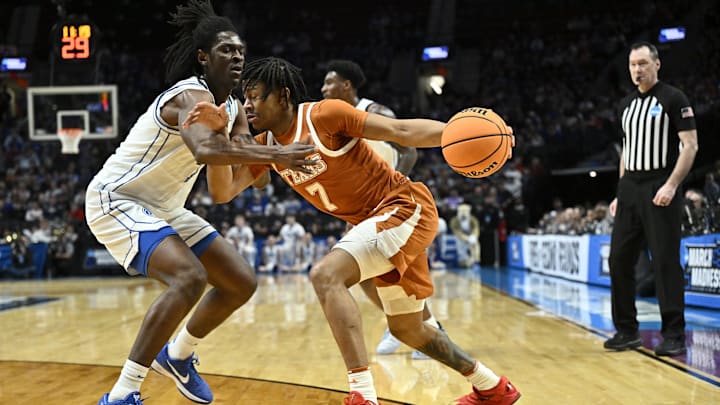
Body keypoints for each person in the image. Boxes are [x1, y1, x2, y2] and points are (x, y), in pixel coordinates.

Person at [183, 56, 520, 405]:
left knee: (325, 275)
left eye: (256, 96)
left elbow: (400, 132)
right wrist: (217, 135)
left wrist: (461, 133)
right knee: (408, 329)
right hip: (377, 224)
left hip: (403, 207)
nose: (248, 105)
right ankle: (492, 386)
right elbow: (223, 193)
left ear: (282, 96)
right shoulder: (267, 146)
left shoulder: (324, 115)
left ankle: (362, 395)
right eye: (245, 97)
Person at [84, 2, 317, 404]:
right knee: (189, 277)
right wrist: (274, 156)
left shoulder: (232, 109)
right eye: (227, 49)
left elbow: (229, 188)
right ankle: (123, 394)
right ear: (203, 57)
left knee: (240, 282)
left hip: (166, 208)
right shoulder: (189, 95)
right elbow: (208, 151)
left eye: (241, 49)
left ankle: (177, 355)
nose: (238, 55)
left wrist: (269, 149)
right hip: (117, 199)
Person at [322, 59, 440, 360]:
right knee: (363, 274)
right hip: (363, 206)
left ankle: (425, 327)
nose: (323, 89)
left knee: (394, 271)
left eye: (329, 82)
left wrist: (392, 185)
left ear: (346, 86)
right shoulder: (333, 121)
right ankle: (405, 323)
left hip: (389, 201)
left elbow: (409, 149)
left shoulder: (375, 113)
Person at [604, 41, 698, 357]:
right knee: (618, 259)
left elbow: (690, 146)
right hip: (630, 186)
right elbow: (626, 150)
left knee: (665, 262)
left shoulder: (674, 98)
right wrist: (620, 192)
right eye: (633, 64)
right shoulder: (626, 105)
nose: (638, 69)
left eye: (643, 63)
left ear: (657, 65)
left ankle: (674, 334)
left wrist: (672, 185)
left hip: (660, 182)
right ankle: (627, 330)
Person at [449, 204, 481, 268]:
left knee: (475, 244)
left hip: (470, 236)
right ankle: (464, 262)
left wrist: (474, 236)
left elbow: (476, 229)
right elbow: (457, 232)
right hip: (460, 238)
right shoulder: (455, 221)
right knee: (461, 252)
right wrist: (466, 238)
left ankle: (476, 261)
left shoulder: (473, 219)